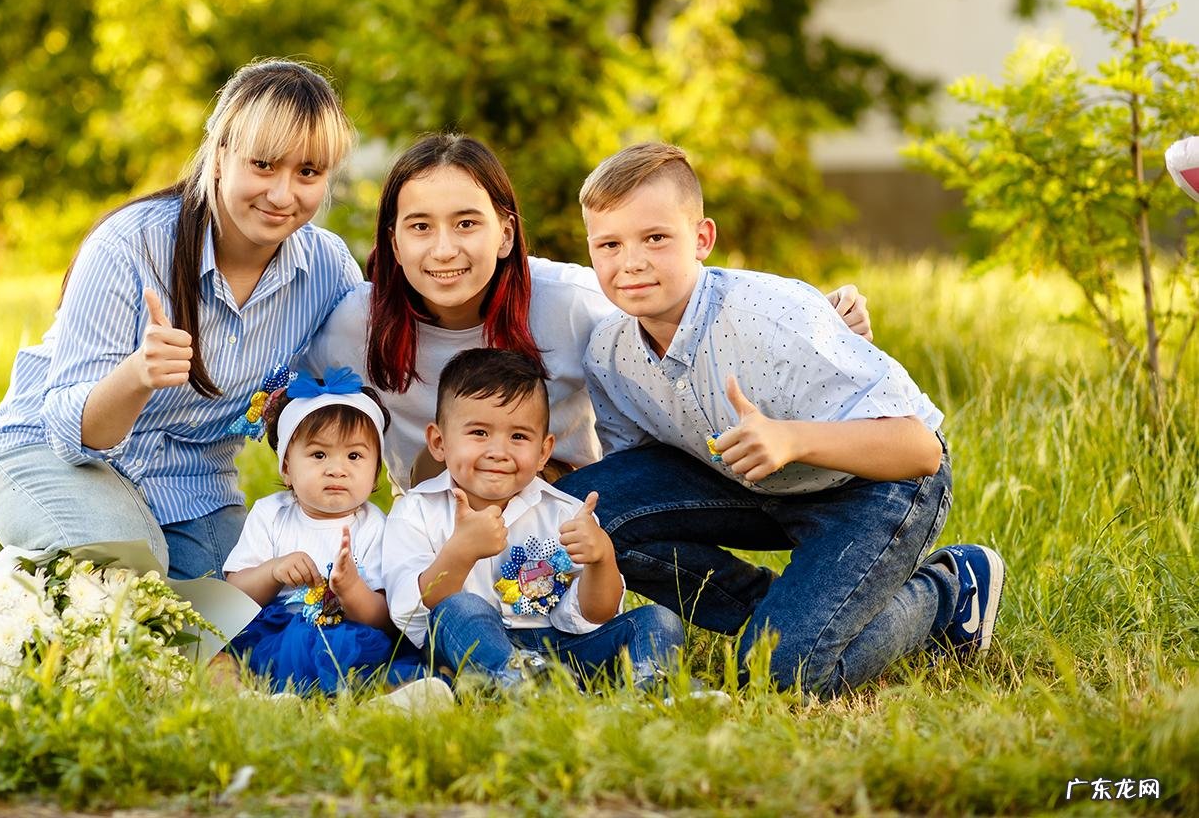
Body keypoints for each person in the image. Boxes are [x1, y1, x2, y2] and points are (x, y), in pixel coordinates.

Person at [560, 141, 1005, 698]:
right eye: (609, 244)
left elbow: (921, 450)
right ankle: (779, 613)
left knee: (783, 677)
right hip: (748, 486)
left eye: (655, 238)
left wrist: (792, 438)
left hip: (874, 487)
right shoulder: (610, 351)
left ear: (702, 239)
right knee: (590, 512)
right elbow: (639, 483)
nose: (631, 262)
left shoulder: (773, 316)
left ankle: (947, 591)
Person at [306, 133, 875, 492]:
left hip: (567, 506)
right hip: (435, 521)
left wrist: (816, 318)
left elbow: (681, 295)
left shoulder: (568, 302)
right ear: (394, 240)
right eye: (420, 227)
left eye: (467, 223)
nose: (445, 249)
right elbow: (298, 409)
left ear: (506, 234)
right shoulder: (358, 324)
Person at [0, 60, 362, 580]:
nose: (282, 194)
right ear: (221, 154)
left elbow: (355, 388)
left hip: (191, 484)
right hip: (51, 456)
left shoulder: (328, 269)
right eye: (264, 165)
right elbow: (72, 433)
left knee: (234, 615)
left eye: (308, 172)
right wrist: (139, 374)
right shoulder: (130, 245)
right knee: (129, 571)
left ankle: (57, 577)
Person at [381, 348, 687, 691]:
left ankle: (651, 688)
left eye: (518, 436)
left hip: (561, 648)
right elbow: (409, 613)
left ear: (543, 451)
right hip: (467, 646)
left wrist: (603, 558)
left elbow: (594, 616)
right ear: (439, 442)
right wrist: (460, 553)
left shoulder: (566, 513)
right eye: (479, 433)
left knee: (658, 619)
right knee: (461, 608)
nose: (498, 451)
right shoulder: (417, 511)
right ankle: (517, 680)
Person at [222, 368, 423, 693]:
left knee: (378, 658)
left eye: (355, 456)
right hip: (281, 629)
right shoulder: (271, 514)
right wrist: (273, 571)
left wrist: (352, 589)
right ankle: (271, 697)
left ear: (375, 475)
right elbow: (235, 595)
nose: (336, 469)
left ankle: (387, 695)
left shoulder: (375, 525)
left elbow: (384, 618)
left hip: (350, 631)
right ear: (287, 468)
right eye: (318, 454)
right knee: (235, 654)